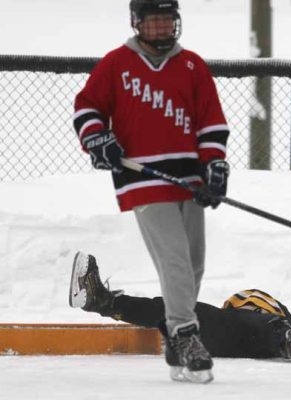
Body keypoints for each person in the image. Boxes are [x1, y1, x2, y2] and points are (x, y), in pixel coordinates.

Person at [71, 0, 230, 384]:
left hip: (188, 179)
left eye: (166, 21)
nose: (160, 29)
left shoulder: (192, 65)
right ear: (138, 23)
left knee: (192, 265)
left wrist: (214, 166)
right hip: (143, 179)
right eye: (153, 22)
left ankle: (175, 340)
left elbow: (211, 122)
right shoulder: (116, 64)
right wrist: (99, 139)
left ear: (176, 23)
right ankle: (186, 334)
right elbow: (86, 108)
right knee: (175, 261)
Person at [69, 252, 291, 360]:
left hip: (236, 337)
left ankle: (102, 301)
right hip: (234, 333)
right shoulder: (252, 316)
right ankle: (99, 300)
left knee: (175, 309)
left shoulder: (278, 321)